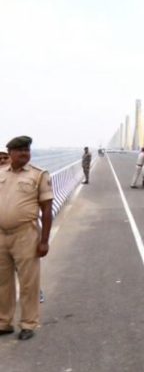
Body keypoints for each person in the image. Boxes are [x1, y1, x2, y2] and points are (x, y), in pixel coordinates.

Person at [0, 136, 53, 340]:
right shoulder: (1, 173)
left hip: (25, 235)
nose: (24, 153)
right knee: (3, 282)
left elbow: (46, 210)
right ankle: (4, 322)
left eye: (27, 149)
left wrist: (44, 241)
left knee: (29, 283)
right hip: (1, 235)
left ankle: (28, 324)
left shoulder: (38, 175)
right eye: (20, 150)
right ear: (10, 153)